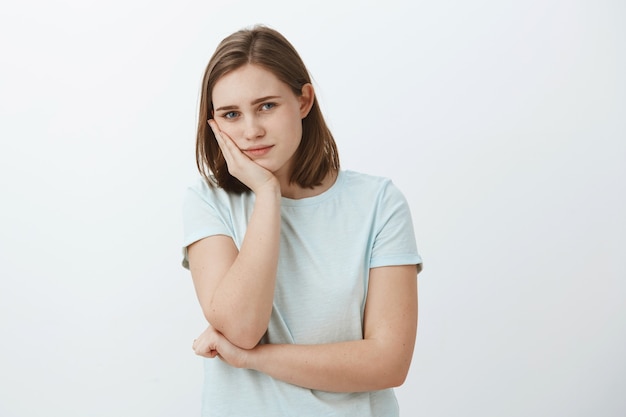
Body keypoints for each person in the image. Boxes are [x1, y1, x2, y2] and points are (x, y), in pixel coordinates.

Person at [182, 25, 422, 417]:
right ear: (214, 123)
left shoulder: (378, 203)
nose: (251, 130)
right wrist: (267, 194)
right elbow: (242, 327)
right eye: (231, 114)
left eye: (267, 106)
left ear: (304, 100)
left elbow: (388, 363)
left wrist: (252, 359)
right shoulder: (208, 202)